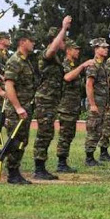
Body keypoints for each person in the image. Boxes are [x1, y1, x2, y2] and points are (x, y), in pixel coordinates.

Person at [32, 17, 71, 180]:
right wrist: (63, 29)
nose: (65, 43)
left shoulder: (57, 58)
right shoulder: (47, 54)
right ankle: (38, 168)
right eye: (63, 40)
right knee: (44, 133)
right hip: (44, 101)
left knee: (48, 133)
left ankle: (41, 166)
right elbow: (52, 49)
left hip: (52, 101)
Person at [3, 30, 38, 184]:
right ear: (23, 42)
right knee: (16, 140)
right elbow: (9, 85)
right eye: (31, 40)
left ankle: (15, 171)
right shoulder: (15, 61)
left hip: (25, 107)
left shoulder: (26, 60)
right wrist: (17, 107)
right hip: (16, 110)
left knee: (22, 140)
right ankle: (12, 173)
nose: (34, 43)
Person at [56, 39, 94, 172]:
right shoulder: (65, 64)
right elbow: (67, 77)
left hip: (73, 107)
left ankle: (63, 161)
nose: (78, 51)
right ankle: (61, 163)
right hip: (66, 107)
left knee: (69, 134)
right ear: (68, 50)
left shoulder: (73, 65)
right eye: (75, 49)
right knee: (65, 135)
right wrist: (83, 66)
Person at [84, 38, 110, 166]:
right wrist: (92, 104)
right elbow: (89, 85)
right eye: (103, 48)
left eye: (106, 48)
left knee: (99, 130)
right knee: (93, 129)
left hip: (102, 103)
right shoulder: (93, 65)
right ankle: (89, 157)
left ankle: (92, 156)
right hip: (95, 103)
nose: (106, 50)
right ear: (96, 49)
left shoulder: (102, 65)